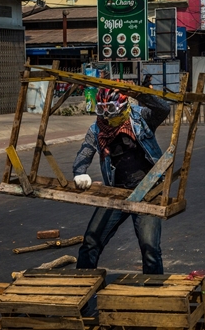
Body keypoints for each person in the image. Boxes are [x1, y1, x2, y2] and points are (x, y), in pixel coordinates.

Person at [72, 87, 171, 274]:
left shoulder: (140, 118)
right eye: (101, 109)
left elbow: (163, 109)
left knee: (150, 248)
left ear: (122, 105)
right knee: (91, 242)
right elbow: (84, 154)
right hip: (115, 191)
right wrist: (80, 172)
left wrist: (138, 93)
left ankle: (155, 293)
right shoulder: (96, 129)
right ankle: (80, 288)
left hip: (146, 191)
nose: (106, 115)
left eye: (110, 108)